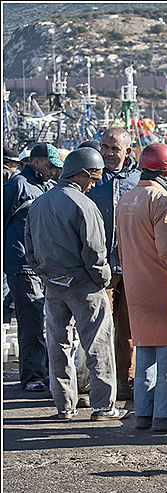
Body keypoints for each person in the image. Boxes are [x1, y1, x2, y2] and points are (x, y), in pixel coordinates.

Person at [24, 147, 128, 421]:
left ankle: (64, 406)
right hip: (84, 285)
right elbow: (95, 253)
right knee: (97, 345)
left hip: (53, 285)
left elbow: (30, 250)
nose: (94, 184)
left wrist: (47, 274)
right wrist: (103, 279)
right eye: (93, 178)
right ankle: (103, 406)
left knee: (58, 346)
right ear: (81, 175)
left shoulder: (39, 203)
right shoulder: (84, 205)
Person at [115, 143, 167, 432]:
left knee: (144, 353)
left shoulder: (127, 200)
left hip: (136, 287)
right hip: (164, 291)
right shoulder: (163, 200)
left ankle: (144, 413)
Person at [86, 127, 141, 402]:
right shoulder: (92, 177)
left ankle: (125, 378)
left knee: (128, 327)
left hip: (132, 263)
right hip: (101, 264)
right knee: (100, 325)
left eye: (114, 149)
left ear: (127, 152)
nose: (108, 153)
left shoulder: (138, 180)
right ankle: (99, 381)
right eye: (105, 147)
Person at [3, 143, 62, 393]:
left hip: (41, 264)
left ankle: (42, 371)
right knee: (31, 322)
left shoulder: (44, 187)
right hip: (22, 264)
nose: (52, 172)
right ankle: (32, 376)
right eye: (49, 166)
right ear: (35, 162)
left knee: (45, 320)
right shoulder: (18, 185)